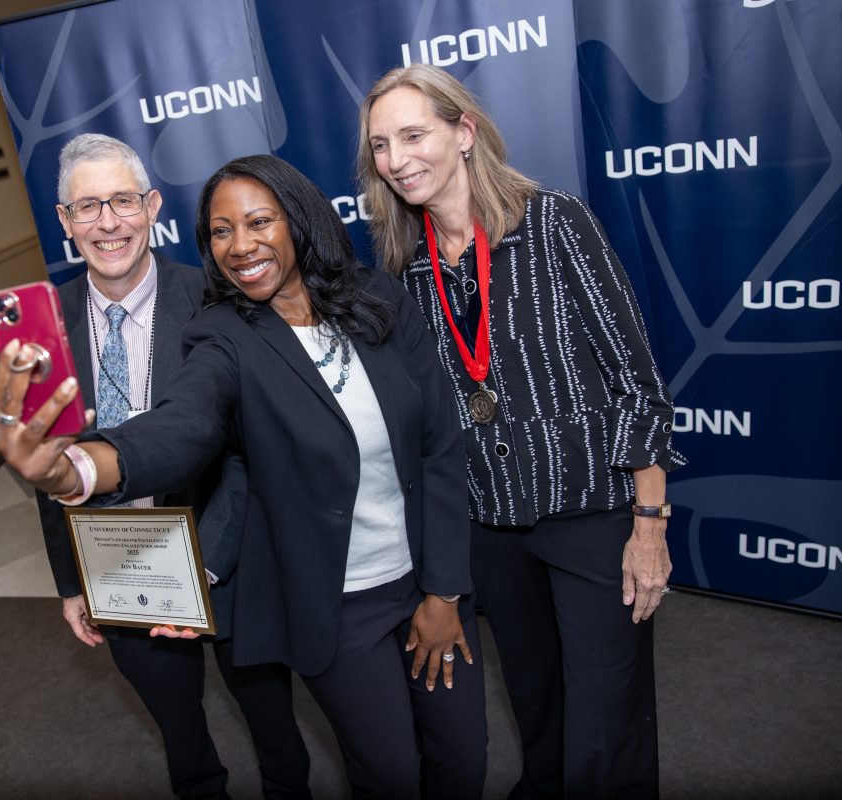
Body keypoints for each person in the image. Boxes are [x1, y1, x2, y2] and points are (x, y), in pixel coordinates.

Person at [0, 154, 487, 799]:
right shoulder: (224, 334)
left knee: (463, 763)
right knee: (389, 773)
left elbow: (440, 449)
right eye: (221, 232)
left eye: (258, 222)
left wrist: (443, 592)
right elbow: (184, 426)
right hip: (335, 602)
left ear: (298, 220)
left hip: (427, 578)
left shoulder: (379, 300)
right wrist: (74, 465)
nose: (241, 245)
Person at [357, 64, 685, 799]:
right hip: (490, 526)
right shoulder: (402, 269)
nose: (397, 158)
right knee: (537, 705)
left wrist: (650, 523)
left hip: (593, 513)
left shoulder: (554, 222)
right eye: (381, 145)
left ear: (463, 132)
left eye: (414, 134)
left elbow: (639, 384)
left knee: (608, 712)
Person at [33, 134, 310, 800]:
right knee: (183, 745)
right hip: (120, 564)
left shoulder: (219, 300)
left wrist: (208, 562)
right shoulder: (47, 325)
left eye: (123, 201)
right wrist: (72, 581)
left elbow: (252, 452)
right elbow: (47, 464)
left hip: (228, 552)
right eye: (88, 207)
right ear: (65, 221)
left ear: (152, 206)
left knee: (276, 732)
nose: (108, 222)